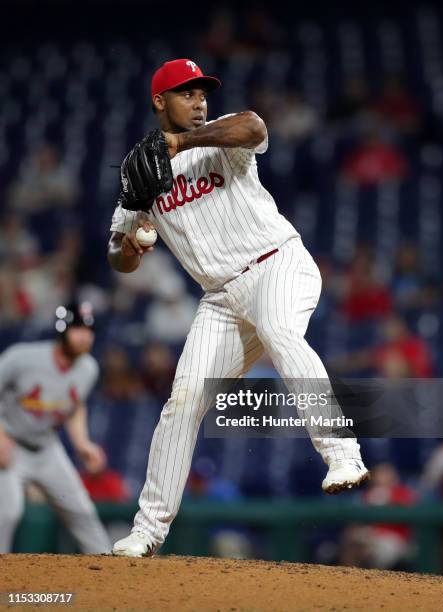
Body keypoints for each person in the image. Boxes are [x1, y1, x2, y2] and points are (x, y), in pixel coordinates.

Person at [108, 59, 369, 558]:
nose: (199, 100)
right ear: (160, 101)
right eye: (186, 93)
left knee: (280, 332)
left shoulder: (221, 137)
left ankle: (342, 454)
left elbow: (254, 125)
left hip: (278, 264)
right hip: (221, 299)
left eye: (202, 91)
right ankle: (147, 531)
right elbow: (117, 256)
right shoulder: (138, 166)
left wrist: (182, 142)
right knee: (182, 401)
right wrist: (130, 248)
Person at [0, 303, 111, 554]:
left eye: (89, 330)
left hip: (47, 448)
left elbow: (75, 406)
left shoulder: (88, 369)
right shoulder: (23, 357)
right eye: (77, 329)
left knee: (82, 511)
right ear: (62, 331)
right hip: (10, 446)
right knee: (7, 513)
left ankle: (113, 577)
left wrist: (82, 443)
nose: (85, 336)